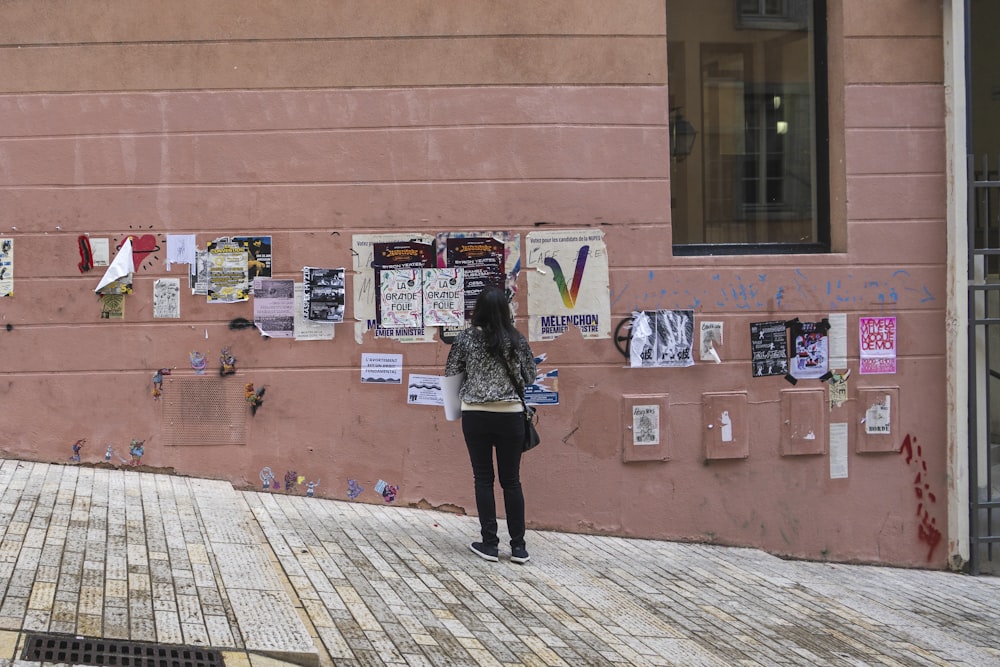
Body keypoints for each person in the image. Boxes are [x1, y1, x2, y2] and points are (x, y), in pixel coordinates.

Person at [445, 287, 537, 564]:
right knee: (512, 481)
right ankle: (519, 547)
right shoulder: (517, 339)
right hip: (510, 415)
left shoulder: (465, 339)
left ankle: (489, 543)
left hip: (476, 415)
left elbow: (451, 373)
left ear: (479, 310)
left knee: (483, 478)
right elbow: (530, 376)